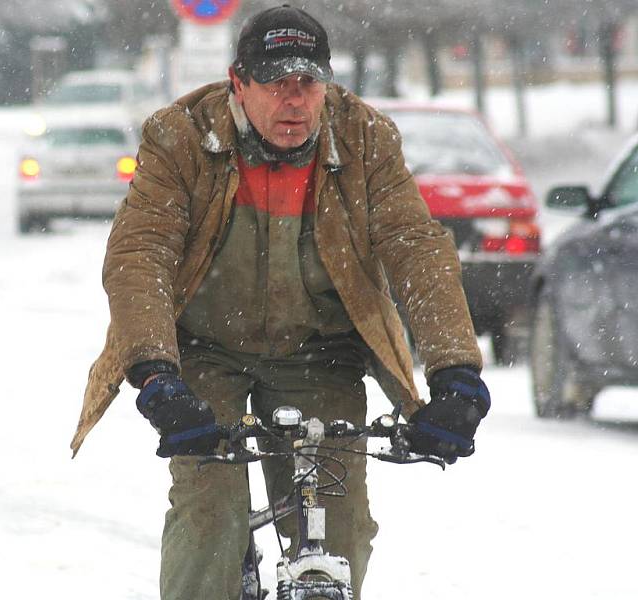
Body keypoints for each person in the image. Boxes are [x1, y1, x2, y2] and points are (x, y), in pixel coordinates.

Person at [70, 4, 490, 599]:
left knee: (337, 527)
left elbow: (415, 247)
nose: (294, 101)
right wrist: (155, 373)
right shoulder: (180, 136)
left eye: (308, 83)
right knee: (209, 517)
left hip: (320, 355)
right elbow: (140, 257)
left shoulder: (365, 139)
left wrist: (455, 370)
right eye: (275, 84)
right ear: (238, 82)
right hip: (205, 353)